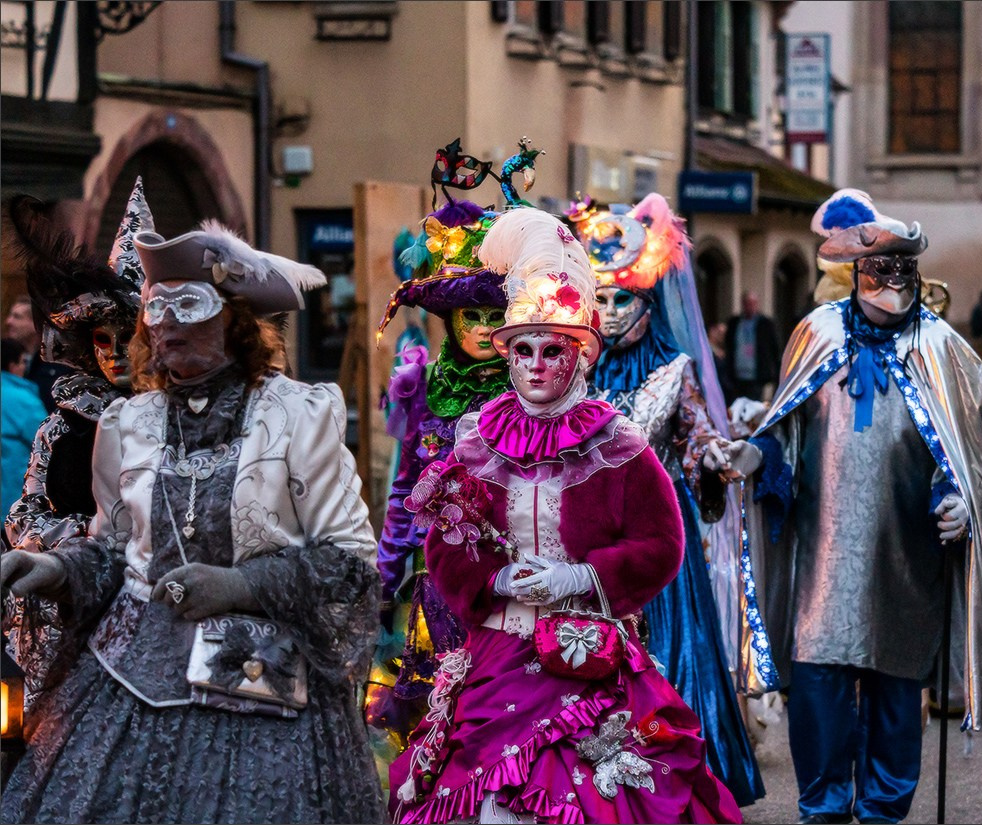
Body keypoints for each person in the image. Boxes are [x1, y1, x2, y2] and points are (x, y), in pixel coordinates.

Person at [0, 220, 383, 823]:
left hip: (264, 688)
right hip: (130, 681)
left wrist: (242, 585)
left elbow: (350, 561)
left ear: (234, 318)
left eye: (190, 303)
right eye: (156, 306)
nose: (166, 322)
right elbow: (117, 552)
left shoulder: (297, 416)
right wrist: (50, 566)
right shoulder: (128, 424)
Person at [388, 206, 742, 824]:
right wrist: (492, 578)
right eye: (520, 349)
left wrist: (580, 579)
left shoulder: (617, 443)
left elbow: (663, 543)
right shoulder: (477, 439)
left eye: (551, 349)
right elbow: (446, 539)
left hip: (588, 650)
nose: (533, 364)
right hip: (499, 652)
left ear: (579, 355)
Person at [726, 188, 982, 825]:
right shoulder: (816, 333)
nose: (893, 284)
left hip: (905, 554)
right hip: (824, 554)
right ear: (856, 275)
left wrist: (959, 497)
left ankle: (882, 811)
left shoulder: (944, 351)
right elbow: (784, 427)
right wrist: (755, 458)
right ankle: (823, 807)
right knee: (819, 684)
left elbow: (967, 454)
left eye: (905, 271)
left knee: (897, 687)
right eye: (880, 271)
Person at [575, 194, 765, 806]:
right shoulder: (572, 369)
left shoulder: (674, 369)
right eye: (598, 300)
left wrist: (711, 456)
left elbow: (696, 433)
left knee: (664, 656)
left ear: (648, 304)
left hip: (659, 542)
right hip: (585, 537)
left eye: (621, 299)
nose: (607, 313)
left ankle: (672, 776)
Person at [369, 194, 511, 757]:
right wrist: (385, 573)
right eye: (468, 317)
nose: (479, 329)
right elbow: (406, 489)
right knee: (442, 713)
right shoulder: (422, 387)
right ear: (449, 322)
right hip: (440, 581)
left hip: (513, 582)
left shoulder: (534, 389)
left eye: (492, 316)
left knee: (505, 712)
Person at [3, 181, 150, 719]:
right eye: (102, 340)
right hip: (76, 614)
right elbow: (27, 510)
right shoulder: (61, 426)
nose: (115, 355)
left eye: (128, 337)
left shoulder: (184, 422)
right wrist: (77, 549)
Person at [4, 295, 74, 414]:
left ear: (35, 323)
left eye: (17, 317)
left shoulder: (57, 365)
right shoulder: (6, 359)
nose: (8, 321)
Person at [2, 337, 46, 520]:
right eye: (22, 362)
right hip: (11, 501)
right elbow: (47, 442)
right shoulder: (22, 399)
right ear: (13, 366)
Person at [723, 290, 781, 402]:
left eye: (753, 303)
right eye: (747, 303)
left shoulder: (765, 324)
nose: (750, 306)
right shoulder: (734, 323)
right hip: (737, 374)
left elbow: (774, 348)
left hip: (757, 375)